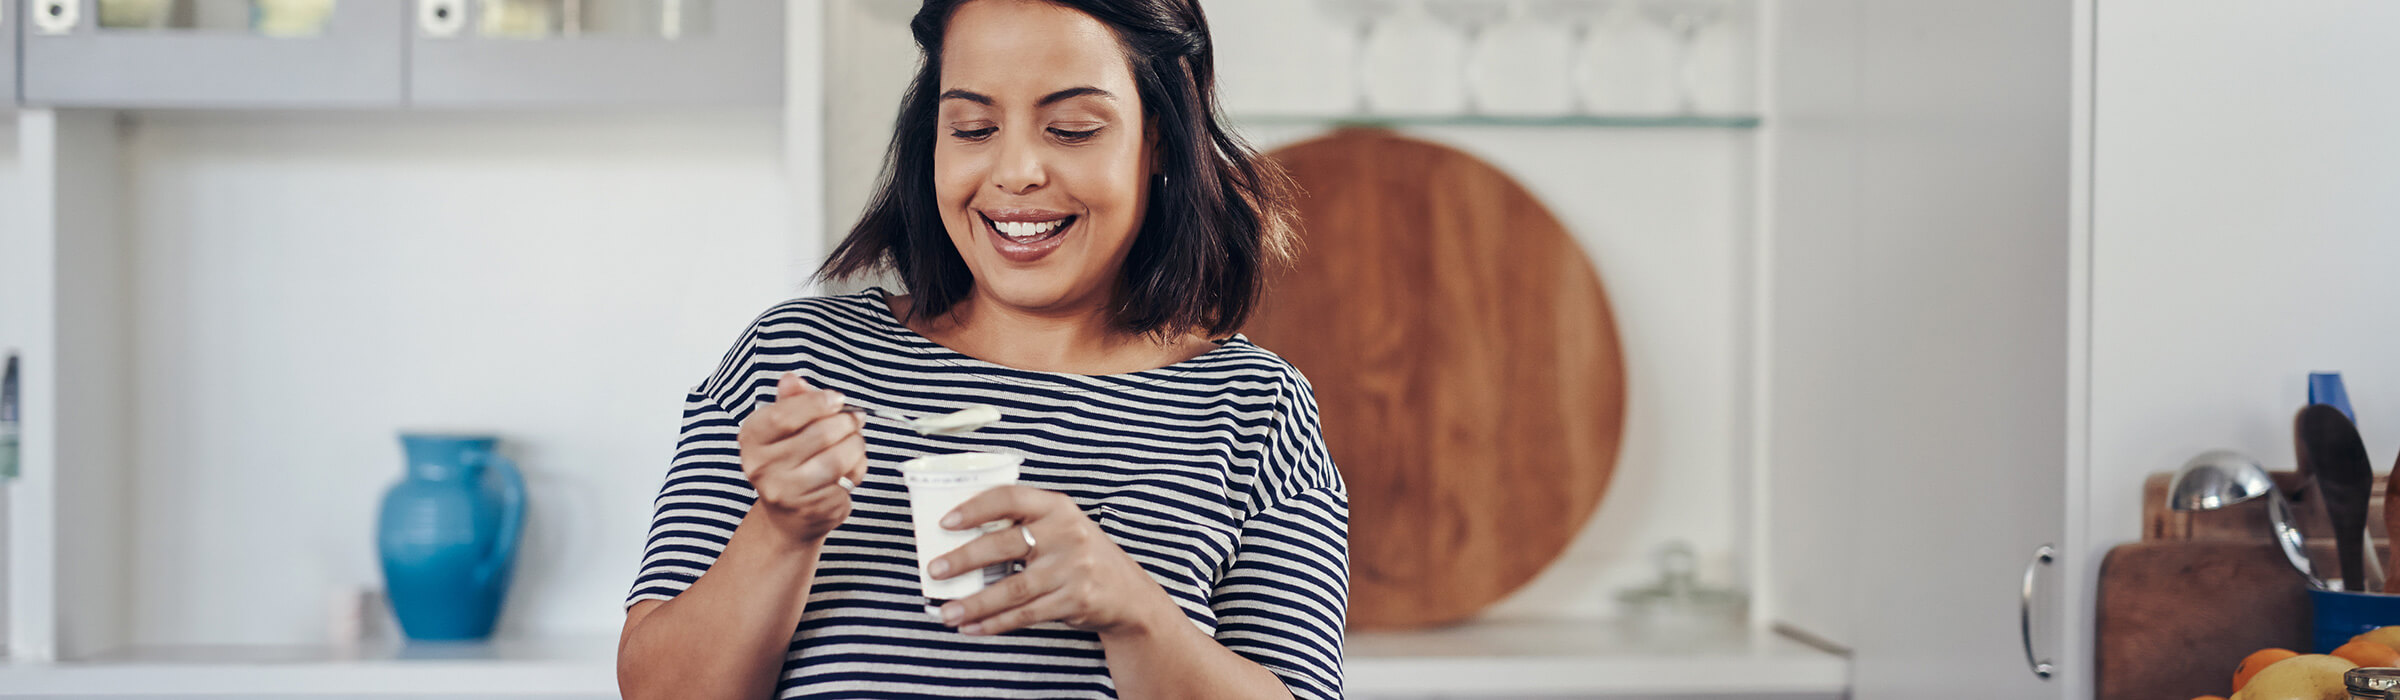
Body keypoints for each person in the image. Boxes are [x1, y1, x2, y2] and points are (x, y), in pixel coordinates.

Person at [614, 1, 1349, 697]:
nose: (1015, 172)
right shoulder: (797, 363)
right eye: (971, 128)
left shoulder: (1254, 410)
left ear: (1158, 135)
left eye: (1070, 129)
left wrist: (1136, 613)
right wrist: (781, 531)